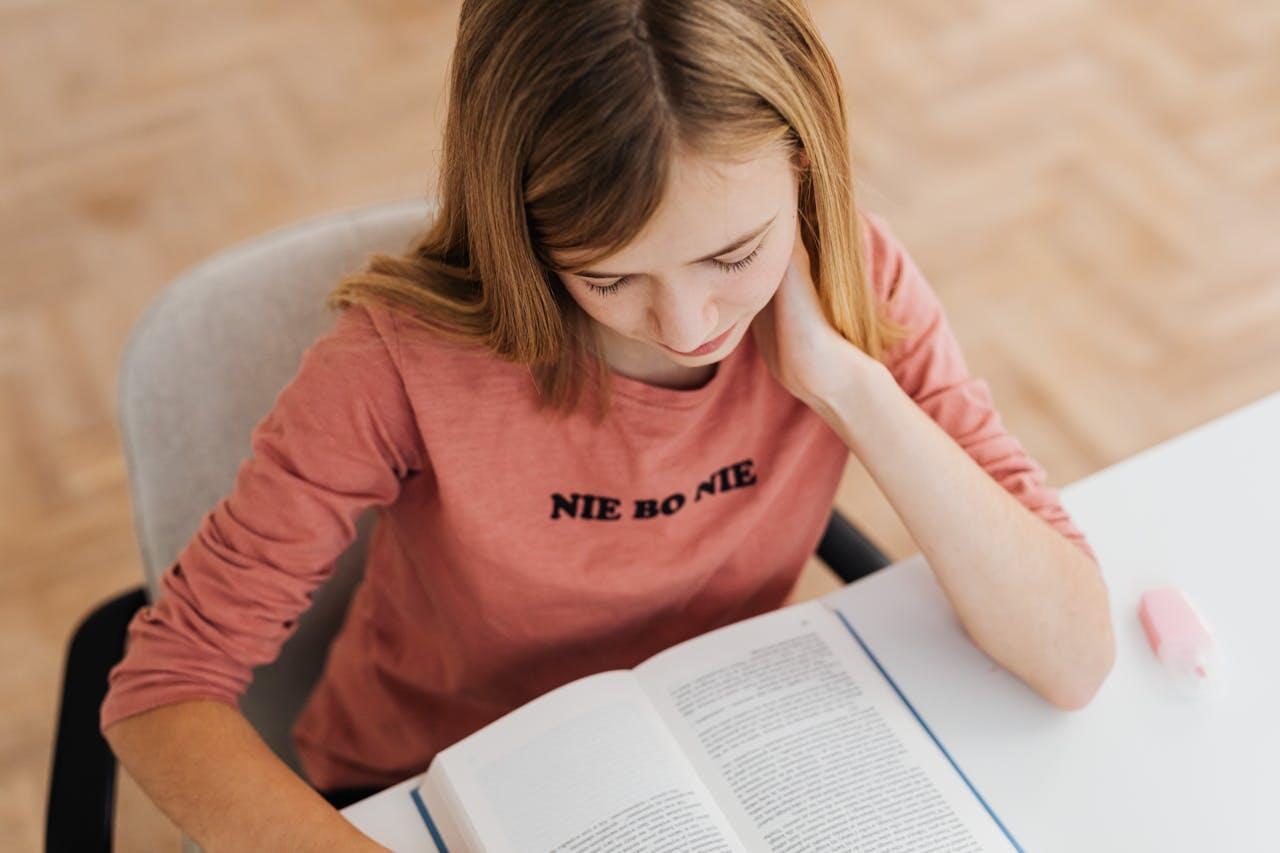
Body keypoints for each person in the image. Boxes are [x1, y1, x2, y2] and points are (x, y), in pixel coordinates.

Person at [99, 0, 1115, 848]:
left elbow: (1070, 655)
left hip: (712, 746)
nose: (688, 327)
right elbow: (159, 694)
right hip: (429, 781)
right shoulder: (394, 367)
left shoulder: (855, 279)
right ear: (519, 229)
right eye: (609, 275)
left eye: (731, 254)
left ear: (805, 167)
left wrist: (847, 384)